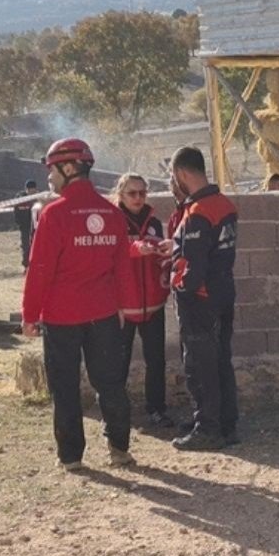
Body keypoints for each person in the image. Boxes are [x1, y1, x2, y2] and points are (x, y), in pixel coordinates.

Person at [21, 139, 135, 473]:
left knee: (65, 386)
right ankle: (119, 449)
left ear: (69, 168)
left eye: (52, 170)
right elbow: (123, 268)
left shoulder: (54, 214)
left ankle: (71, 457)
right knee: (111, 382)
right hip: (103, 314)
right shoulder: (112, 213)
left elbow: (39, 270)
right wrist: (125, 306)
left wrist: (30, 316)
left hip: (62, 317)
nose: (50, 178)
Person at [162, 147, 239, 450]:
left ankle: (207, 428)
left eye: (173, 177)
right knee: (220, 359)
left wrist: (175, 282)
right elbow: (209, 248)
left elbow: (191, 269)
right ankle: (226, 423)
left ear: (181, 174)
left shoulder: (197, 212)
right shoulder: (225, 204)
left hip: (200, 298)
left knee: (199, 363)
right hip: (223, 291)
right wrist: (176, 245)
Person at [112, 172, 174, 429]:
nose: (138, 198)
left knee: (156, 360)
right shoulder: (112, 220)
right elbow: (109, 256)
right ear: (121, 195)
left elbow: (159, 259)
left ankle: (156, 409)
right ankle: (114, 411)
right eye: (132, 193)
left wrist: (163, 252)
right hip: (123, 306)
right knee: (118, 362)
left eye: (142, 192)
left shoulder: (154, 221)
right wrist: (135, 249)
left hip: (152, 304)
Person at [14, 179, 39, 267]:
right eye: (29, 191)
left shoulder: (40, 198)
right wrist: (20, 224)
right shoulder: (20, 198)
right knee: (26, 247)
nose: (31, 193)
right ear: (26, 190)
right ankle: (26, 266)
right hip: (25, 227)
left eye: (33, 191)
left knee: (37, 246)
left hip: (38, 227)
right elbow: (16, 212)